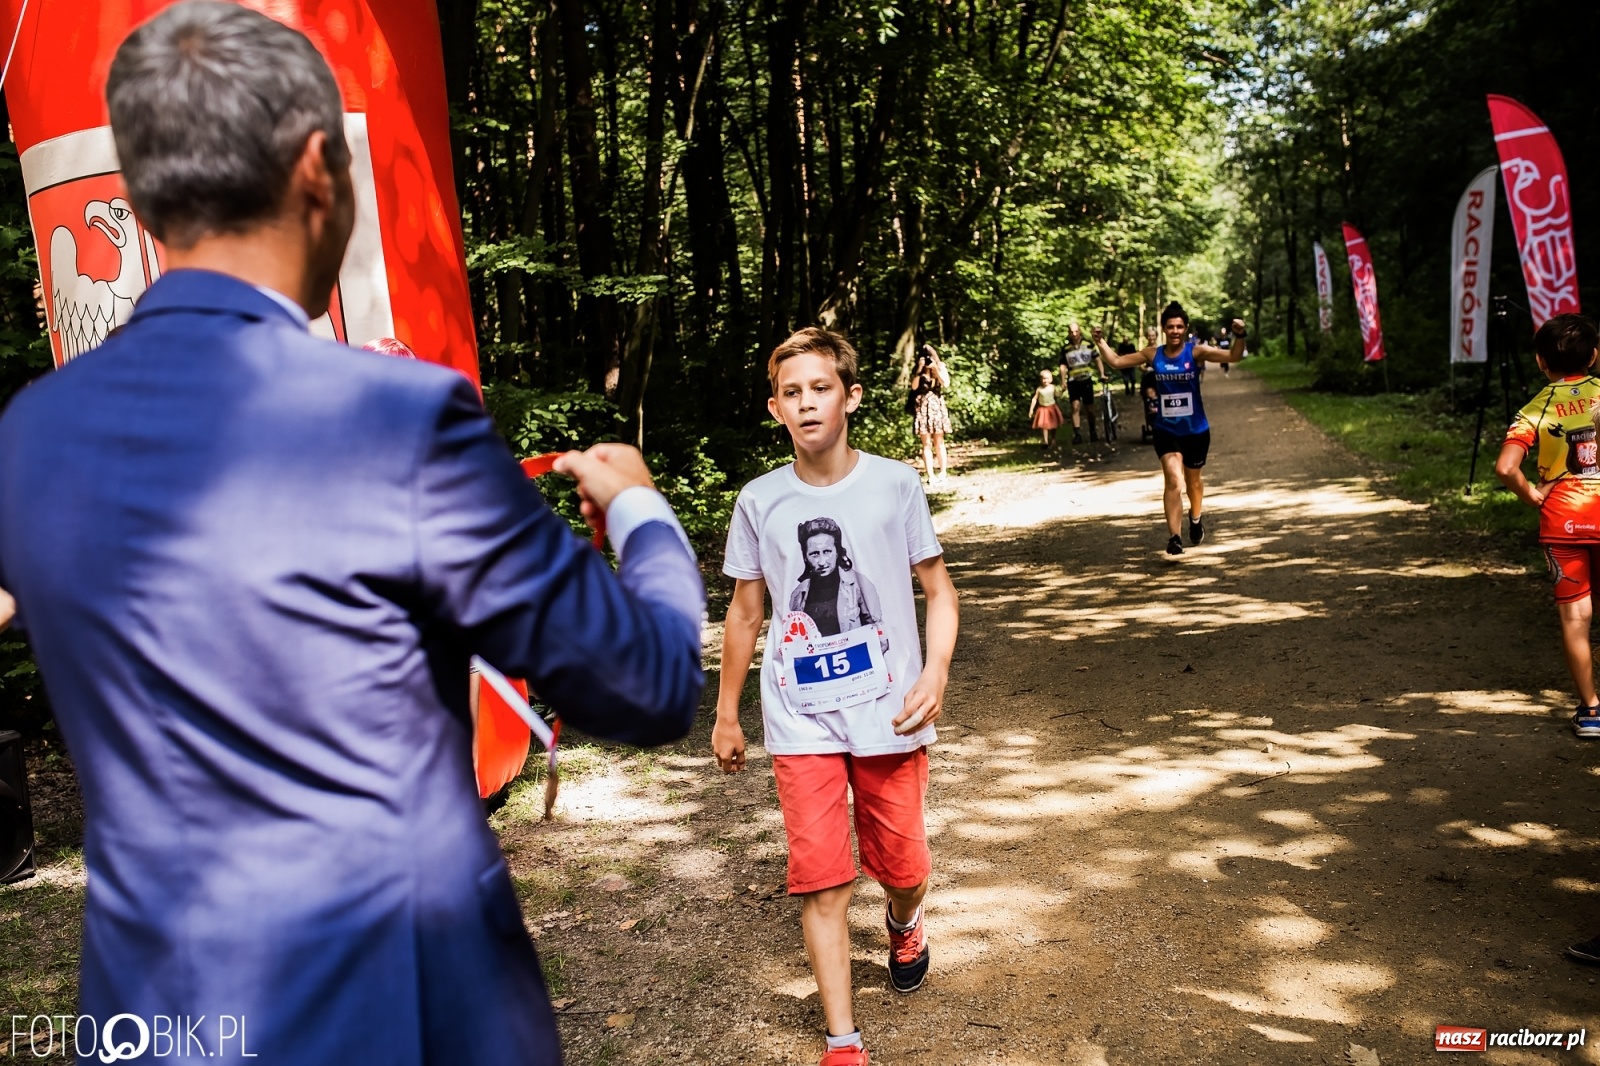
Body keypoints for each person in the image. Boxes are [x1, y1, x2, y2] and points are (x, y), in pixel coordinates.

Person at [0, 6, 705, 1064]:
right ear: (320, 169)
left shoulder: (32, 434)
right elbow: (645, 685)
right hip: (402, 1010)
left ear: (143, 200)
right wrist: (644, 516)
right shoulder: (395, 418)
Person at [713, 328, 959, 1066]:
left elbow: (939, 593)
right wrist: (728, 714)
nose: (806, 402)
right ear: (775, 409)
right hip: (801, 721)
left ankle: (904, 918)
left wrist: (936, 669)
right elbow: (745, 613)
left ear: (850, 396)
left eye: (820, 388)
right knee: (822, 882)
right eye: (791, 393)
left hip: (891, 714)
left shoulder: (894, 485)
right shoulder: (760, 500)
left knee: (904, 866)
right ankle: (842, 1040)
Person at [1494, 314, 1600, 736]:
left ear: (1540, 362)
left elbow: (1506, 468)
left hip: (1564, 519)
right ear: (1594, 355)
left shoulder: (1535, 408)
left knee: (1576, 619)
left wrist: (1531, 494)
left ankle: (1591, 710)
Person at [1095, 302, 1246, 555]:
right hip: (1166, 430)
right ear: (1164, 329)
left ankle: (1195, 519)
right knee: (1173, 480)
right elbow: (1117, 361)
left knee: (1193, 482)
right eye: (1170, 326)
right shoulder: (1153, 354)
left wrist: (1240, 335)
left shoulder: (1195, 352)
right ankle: (1174, 537)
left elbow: (1233, 356)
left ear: (1185, 329)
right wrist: (1100, 342)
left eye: (1179, 326)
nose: (1175, 331)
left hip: (1196, 430)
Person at [910, 343, 951, 487]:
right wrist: (920, 370)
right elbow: (914, 387)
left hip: (937, 408)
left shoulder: (940, 367)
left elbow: (946, 383)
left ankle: (943, 472)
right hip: (922, 408)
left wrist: (935, 369)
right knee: (926, 444)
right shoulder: (918, 371)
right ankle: (930, 475)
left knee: (939, 442)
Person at [1057, 324, 1104, 444]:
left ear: (1080, 332)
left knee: (1089, 408)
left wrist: (1102, 374)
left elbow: (1097, 359)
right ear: (1069, 333)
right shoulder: (1066, 348)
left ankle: (1093, 431)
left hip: (1086, 379)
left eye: (1076, 331)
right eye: (1072, 332)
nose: (1074, 334)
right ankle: (1077, 434)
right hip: (1073, 380)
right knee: (1075, 407)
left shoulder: (1088, 344)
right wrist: (1063, 381)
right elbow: (1063, 366)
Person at [1028, 368, 1064, 448]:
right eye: (1043, 378)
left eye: (1047, 378)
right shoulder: (1039, 389)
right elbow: (1034, 399)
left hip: (1052, 408)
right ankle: (1045, 441)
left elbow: (1057, 395)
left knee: (1053, 425)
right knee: (1044, 426)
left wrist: (1062, 390)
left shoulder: (1052, 387)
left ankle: (1053, 439)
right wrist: (1031, 409)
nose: (1045, 380)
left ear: (1051, 379)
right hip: (1043, 409)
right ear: (1041, 379)